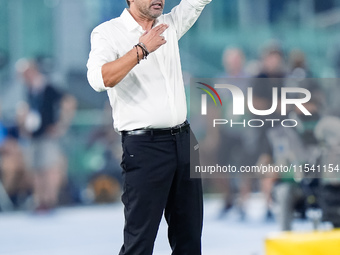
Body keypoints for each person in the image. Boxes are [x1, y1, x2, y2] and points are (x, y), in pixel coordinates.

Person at [87, 0, 212, 254]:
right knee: (140, 243)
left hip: (185, 141)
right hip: (145, 147)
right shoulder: (108, 32)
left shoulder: (169, 24)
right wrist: (142, 49)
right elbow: (100, 79)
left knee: (189, 240)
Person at [16, 58, 76, 212]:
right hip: (35, 135)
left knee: (49, 168)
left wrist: (61, 125)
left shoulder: (48, 87)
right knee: (37, 169)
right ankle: (40, 200)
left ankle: (50, 199)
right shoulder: (30, 89)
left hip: (48, 135)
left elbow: (68, 102)